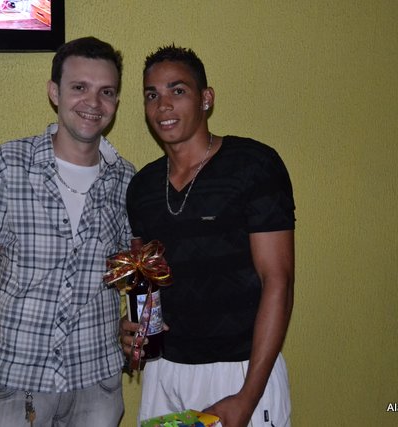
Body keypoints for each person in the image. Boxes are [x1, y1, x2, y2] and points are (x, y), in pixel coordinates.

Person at [0, 36, 135, 427]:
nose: (93, 102)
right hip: (15, 379)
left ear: (116, 101)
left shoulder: (126, 179)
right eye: (79, 87)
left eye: (106, 92)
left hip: (97, 381)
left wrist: (135, 322)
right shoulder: (7, 164)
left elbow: (131, 274)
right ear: (55, 92)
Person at [122, 45, 296, 427]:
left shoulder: (253, 165)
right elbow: (144, 284)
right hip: (165, 373)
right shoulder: (142, 187)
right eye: (152, 95)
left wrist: (248, 397)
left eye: (177, 90)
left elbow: (278, 282)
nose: (163, 105)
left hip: (241, 372)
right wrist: (133, 328)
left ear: (206, 98)